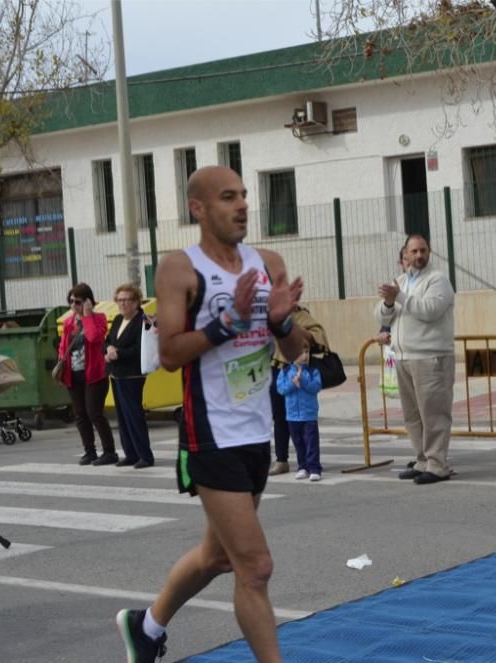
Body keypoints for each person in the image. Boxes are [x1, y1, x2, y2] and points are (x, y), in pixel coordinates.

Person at [116, 165, 307, 663]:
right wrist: (229, 322)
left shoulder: (268, 262)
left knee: (218, 557)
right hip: (210, 435)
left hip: (255, 431)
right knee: (255, 567)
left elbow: (294, 349)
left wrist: (283, 321)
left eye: (244, 195)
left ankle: (147, 626)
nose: (242, 204)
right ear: (198, 208)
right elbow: (171, 353)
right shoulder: (181, 268)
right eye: (228, 197)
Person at [375, 234, 456, 485]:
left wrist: (398, 297)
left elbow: (429, 311)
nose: (419, 255)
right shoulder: (400, 281)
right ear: (405, 255)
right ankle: (422, 460)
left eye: (423, 250)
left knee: (434, 414)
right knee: (413, 416)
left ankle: (437, 464)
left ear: (429, 252)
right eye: (414, 251)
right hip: (404, 357)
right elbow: (380, 315)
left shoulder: (438, 280)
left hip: (430, 358)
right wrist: (388, 302)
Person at [57, 283, 119, 466]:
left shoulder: (99, 318)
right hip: (73, 375)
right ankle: (89, 451)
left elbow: (94, 337)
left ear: (88, 302)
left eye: (77, 302)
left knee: (95, 413)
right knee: (80, 415)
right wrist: (61, 367)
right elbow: (63, 347)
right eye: (71, 302)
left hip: (94, 375)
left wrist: (87, 315)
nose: (73, 306)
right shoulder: (69, 322)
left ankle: (109, 451)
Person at [268, 304, 329, 476]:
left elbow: (318, 334)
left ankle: (311, 464)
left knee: (308, 431)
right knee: (279, 415)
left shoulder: (298, 314)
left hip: (295, 366)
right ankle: (282, 460)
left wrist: (295, 331)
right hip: (271, 367)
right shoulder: (262, 313)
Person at [106, 283, 154, 469]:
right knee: (122, 417)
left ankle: (145, 455)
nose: (122, 304)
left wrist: (118, 353)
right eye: (119, 300)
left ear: (136, 302)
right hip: (116, 374)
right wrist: (108, 348)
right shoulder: (118, 319)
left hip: (132, 374)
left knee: (134, 415)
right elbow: (108, 340)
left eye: (127, 300)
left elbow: (140, 348)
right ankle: (130, 454)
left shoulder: (142, 321)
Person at [276, 340, 323, 481]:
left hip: (309, 414)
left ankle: (315, 468)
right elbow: (281, 389)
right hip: (292, 415)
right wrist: (293, 384)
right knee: (298, 442)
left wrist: (302, 380)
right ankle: (303, 467)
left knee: (311, 442)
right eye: (301, 353)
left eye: (307, 352)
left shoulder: (313, 371)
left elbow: (315, 387)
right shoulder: (284, 372)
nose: (304, 356)